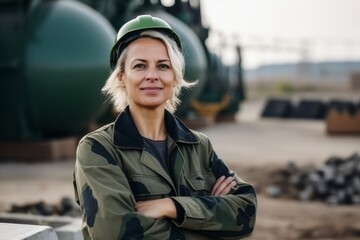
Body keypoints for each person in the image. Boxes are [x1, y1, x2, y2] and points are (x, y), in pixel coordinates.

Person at [73, 14, 257, 240]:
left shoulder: (198, 146)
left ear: (175, 76)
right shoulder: (98, 148)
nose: (152, 76)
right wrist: (209, 217)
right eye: (140, 66)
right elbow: (117, 234)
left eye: (163, 66)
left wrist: (173, 207)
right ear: (122, 77)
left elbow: (246, 213)